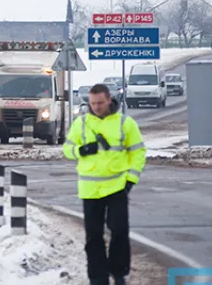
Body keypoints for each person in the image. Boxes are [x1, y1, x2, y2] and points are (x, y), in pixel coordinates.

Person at [62, 83, 146, 285]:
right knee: (93, 238)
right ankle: (98, 278)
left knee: (119, 232)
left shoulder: (125, 123)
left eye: (100, 102)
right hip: (90, 190)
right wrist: (80, 151)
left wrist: (130, 180)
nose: (97, 107)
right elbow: (67, 148)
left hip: (117, 186)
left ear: (109, 99)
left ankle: (118, 273)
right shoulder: (81, 123)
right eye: (93, 103)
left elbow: (138, 152)